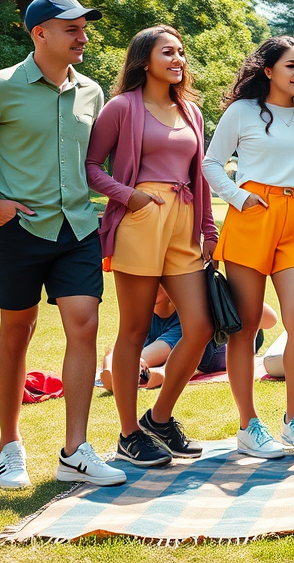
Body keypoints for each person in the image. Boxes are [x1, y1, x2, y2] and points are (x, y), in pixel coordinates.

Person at [0, 0, 126, 488]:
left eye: (85, 28)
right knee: (17, 333)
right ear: (39, 33)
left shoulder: (91, 93)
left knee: (84, 325)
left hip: (78, 229)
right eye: (71, 29)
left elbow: (94, 166)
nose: (83, 36)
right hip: (19, 228)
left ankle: (75, 451)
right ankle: (9, 445)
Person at [86, 25, 217, 468]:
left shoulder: (192, 112)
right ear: (145, 60)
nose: (178, 59)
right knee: (134, 330)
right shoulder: (121, 107)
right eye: (168, 52)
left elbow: (200, 176)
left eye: (181, 52)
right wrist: (131, 197)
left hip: (183, 224)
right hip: (141, 219)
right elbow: (91, 167)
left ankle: (159, 420)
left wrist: (208, 228)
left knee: (200, 325)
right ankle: (128, 434)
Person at [203, 36, 294, 459]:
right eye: (291, 65)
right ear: (268, 70)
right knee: (247, 323)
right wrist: (237, 197)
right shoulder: (241, 112)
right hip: (253, 215)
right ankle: (248, 425)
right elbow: (210, 162)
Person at [100, 285, 277, 392]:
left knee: (195, 342)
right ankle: (164, 371)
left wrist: (223, 290)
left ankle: (166, 372)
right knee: (129, 350)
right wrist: (109, 369)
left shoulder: (184, 317)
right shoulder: (143, 315)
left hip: (231, 338)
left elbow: (271, 320)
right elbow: (122, 349)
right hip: (203, 345)